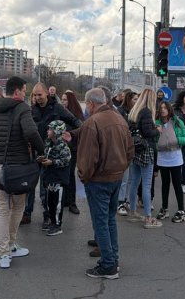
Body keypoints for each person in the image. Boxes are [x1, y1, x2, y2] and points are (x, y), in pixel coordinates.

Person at [0, 76, 45, 269]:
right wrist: (41, 150)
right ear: (18, 91)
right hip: (19, 169)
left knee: (2, 210)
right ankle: (11, 245)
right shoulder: (22, 108)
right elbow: (31, 132)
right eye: (25, 90)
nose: (26, 94)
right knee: (18, 208)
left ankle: (4, 254)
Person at [64, 88, 134, 279]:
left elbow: (87, 158)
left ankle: (108, 265)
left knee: (101, 223)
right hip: (116, 177)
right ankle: (113, 260)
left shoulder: (93, 122)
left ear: (91, 104)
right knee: (110, 220)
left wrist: (84, 176)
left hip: (98, 181)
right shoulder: (119, 118)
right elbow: (130, 151)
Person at [27, 82, 82, 226]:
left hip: (52, 154)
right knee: (30, 185)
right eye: (35, 95)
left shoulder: (57, 108)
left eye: (39, 94)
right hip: (35, 152)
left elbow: (76, 122)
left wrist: (70, 135)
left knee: (46, 187)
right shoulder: (31, 110)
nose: (37, 97)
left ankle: (48, 216)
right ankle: (27, 213)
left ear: (47, 93)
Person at [126, 88, 162, 228]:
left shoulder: (134, 111)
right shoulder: (147, 112)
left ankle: (133, 212)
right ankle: (148, 218)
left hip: (135, 149)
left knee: (134, 182)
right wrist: (157, 130)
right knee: (146, 185)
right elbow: (147, 132)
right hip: (146, 150)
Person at [155, 100, 185, 223]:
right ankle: (165, 208)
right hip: (163, 158)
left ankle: (181, 210)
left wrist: (175, 139)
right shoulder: (156, 122)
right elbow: (154, 140)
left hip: (175, 158)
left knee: (177, 184)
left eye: (165, 108)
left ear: (169, 109)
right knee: (165, 184)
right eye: (161, 108)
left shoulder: (177, 121)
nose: (163, 110)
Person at [40, 120, 72, 236]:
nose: (48, 131)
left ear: (57, 131)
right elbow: (46, 154)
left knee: (57, 203)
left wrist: (52, 162)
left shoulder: (63, 146)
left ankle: (57, 225)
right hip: (50, 178)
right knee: (50, 203)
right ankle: (52, 221)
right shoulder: (49, 143)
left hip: (59, 179)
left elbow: (65, 160)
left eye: (50, 129)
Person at [61, 90, 85, 215]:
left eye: (65, 99)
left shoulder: (76, 115)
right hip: (61, 149)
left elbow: (80, 131)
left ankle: (72, 202)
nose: (63, 102)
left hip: (72, 149)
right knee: (62, 175)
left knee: (70, 175)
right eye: (62, 99)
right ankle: (64, 199)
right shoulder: (60, 113)